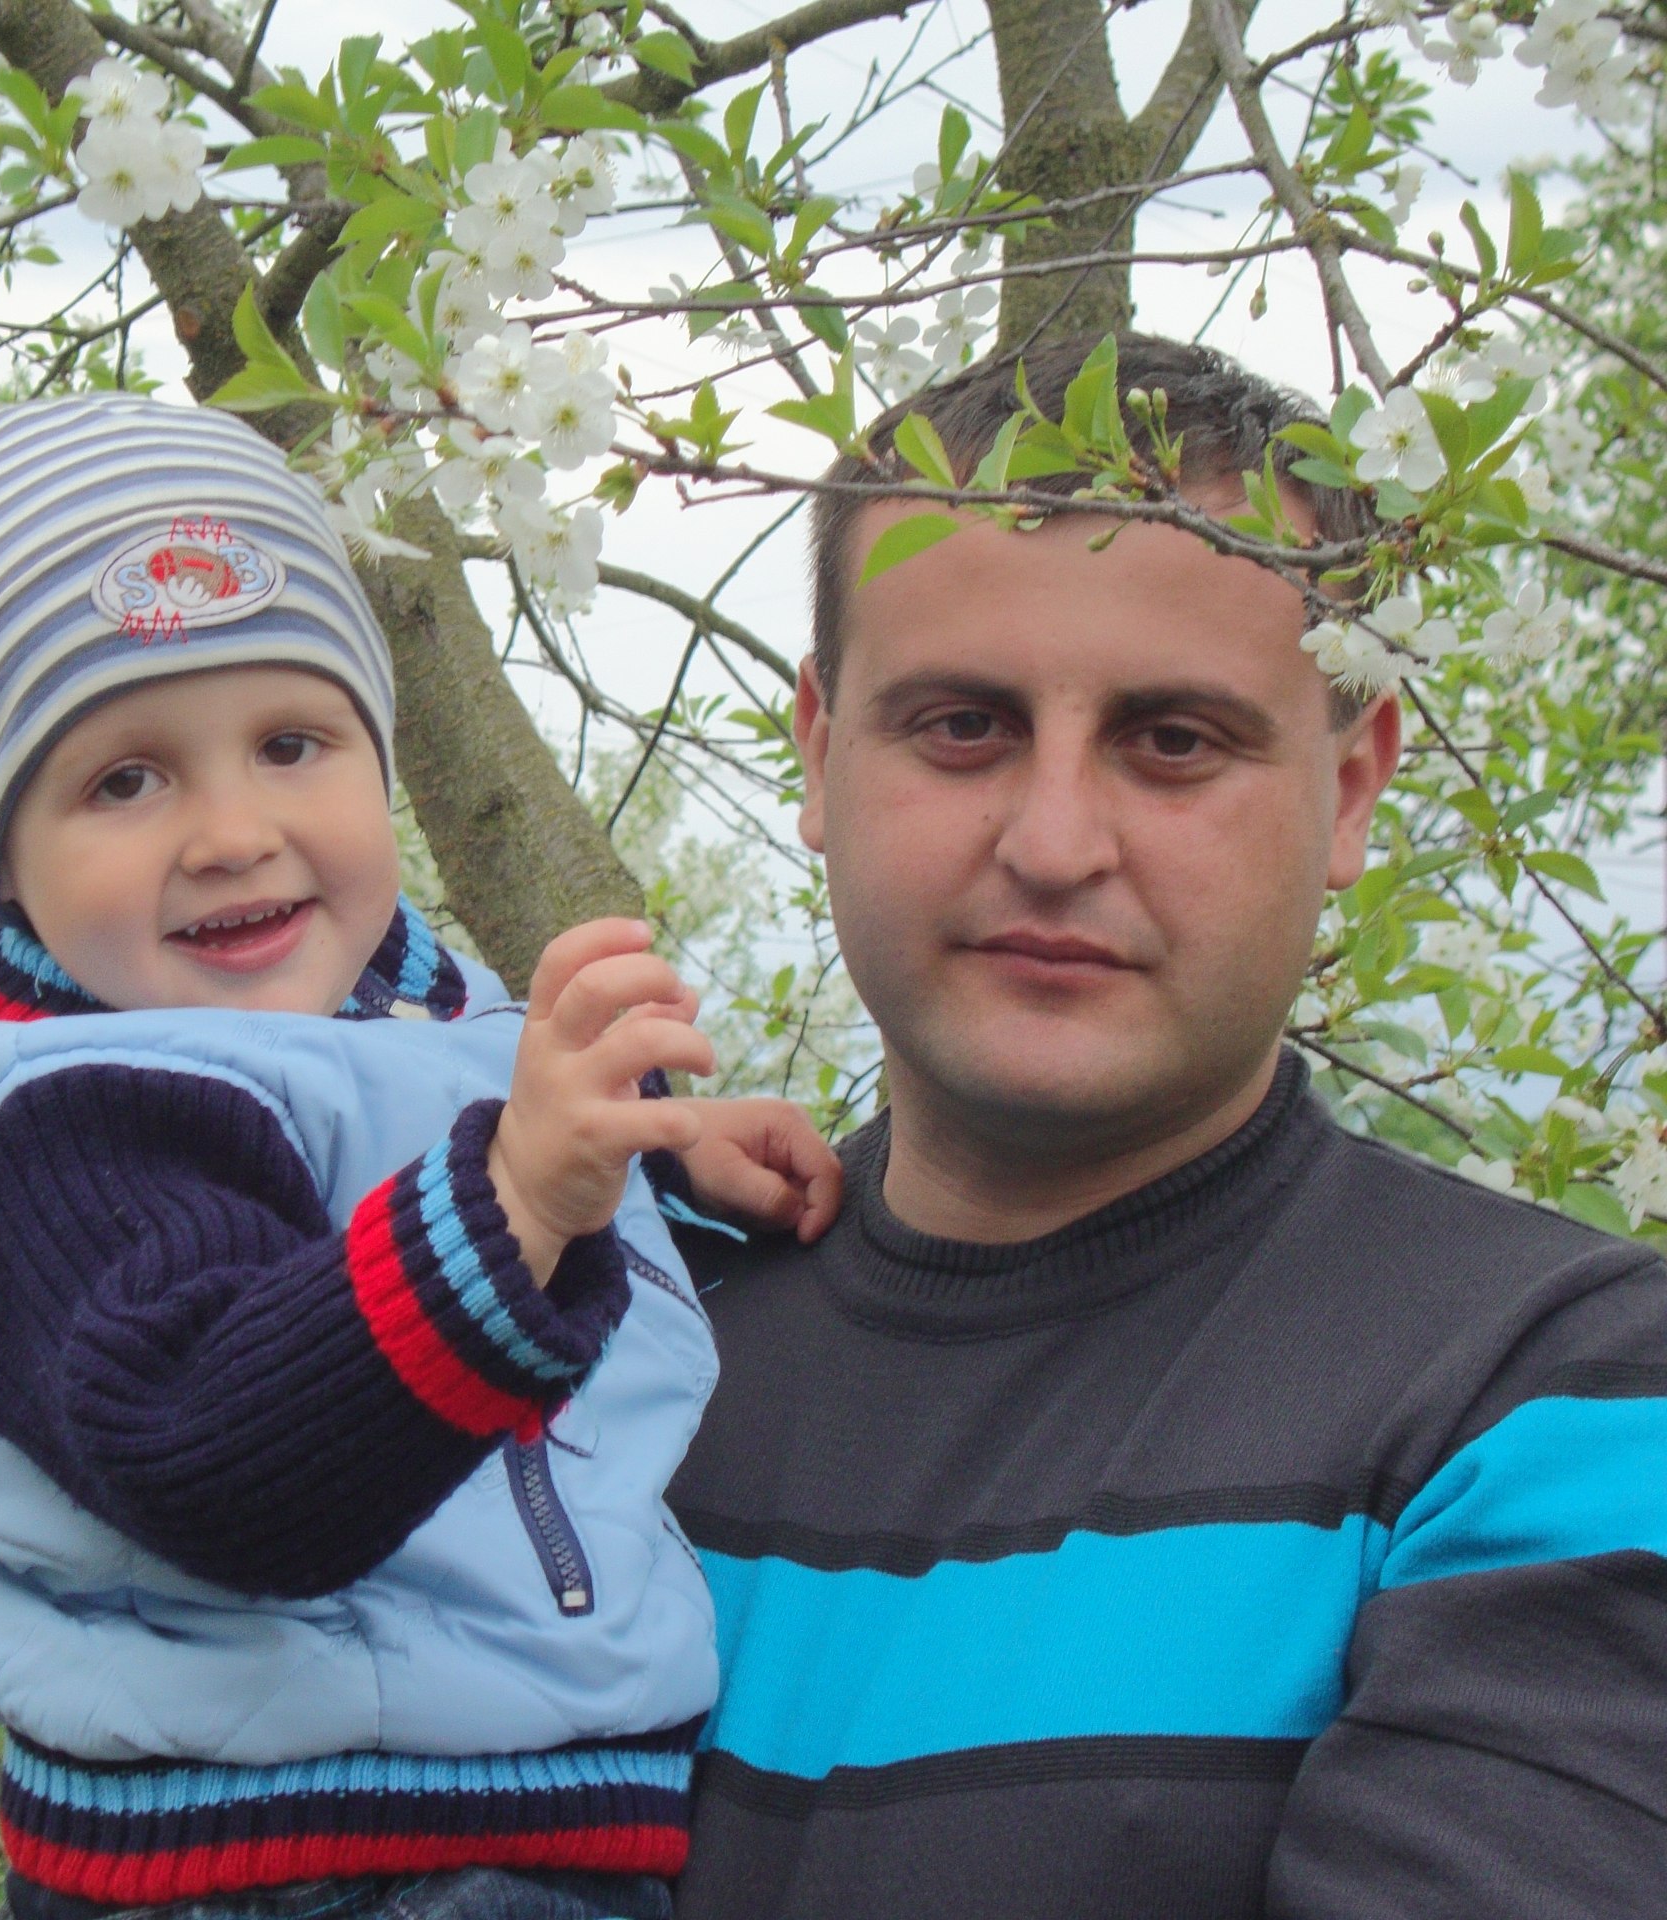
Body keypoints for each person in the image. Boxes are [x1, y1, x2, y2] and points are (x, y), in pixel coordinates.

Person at [664, 332, 1667, 1920]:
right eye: (963, 725)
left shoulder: (1562, 1401)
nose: (1057, 842)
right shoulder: (596, 1346)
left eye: (1175, 741)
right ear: (818, 750)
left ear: (1351, 788)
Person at [0, 392, 839, 1920]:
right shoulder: (43, 1130)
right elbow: (215, 1452)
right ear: (3, 864)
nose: (232, 830)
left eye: (291, 743)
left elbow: (451, 1190)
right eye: (124, 780)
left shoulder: (437, 1031)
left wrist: (657, 1157)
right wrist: (522, 1194)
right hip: (277, 1860)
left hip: (532, 1818)